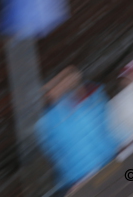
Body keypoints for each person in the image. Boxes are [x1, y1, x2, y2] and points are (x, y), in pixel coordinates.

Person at [35, 66, 119, 195]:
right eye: (55, 85)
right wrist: (73, 182)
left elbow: (110, 128)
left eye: (65, 79)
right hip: (82, 179)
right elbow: (58, 156)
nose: (61, 86)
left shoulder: (92, 97)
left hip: (111, 163)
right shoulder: (47, 122)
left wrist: (121, 150)